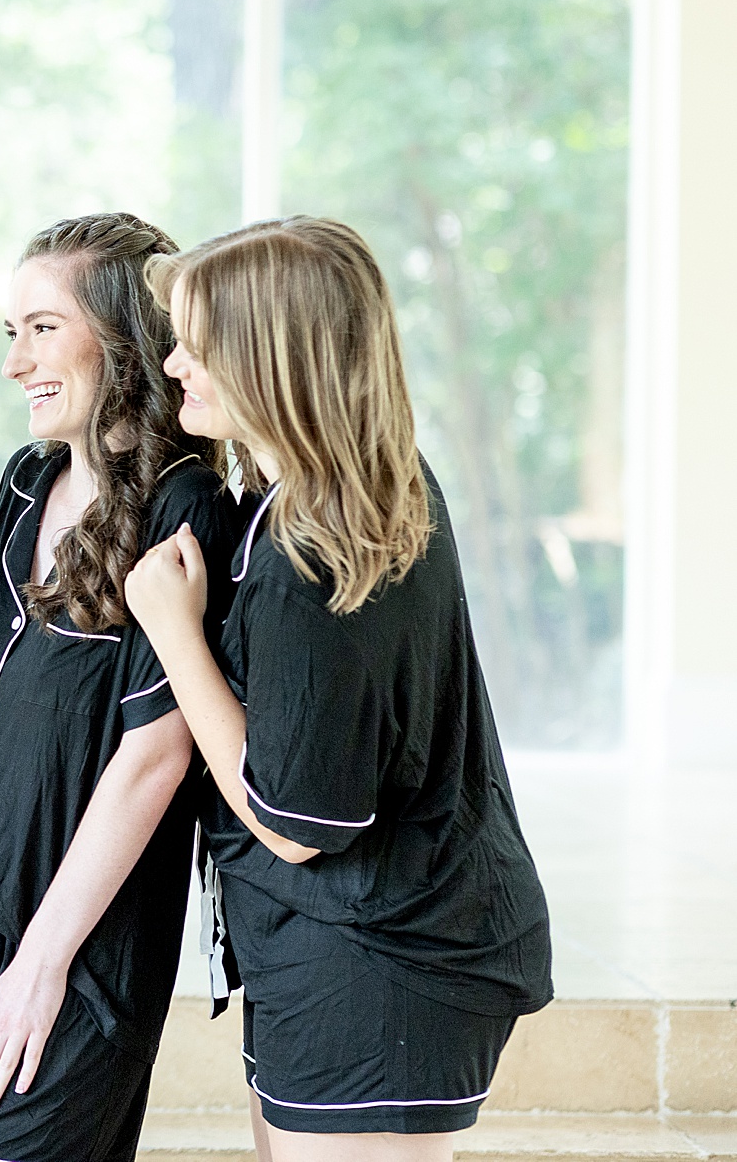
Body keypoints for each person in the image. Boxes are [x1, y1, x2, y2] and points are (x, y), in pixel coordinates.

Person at [125, 217, 554, 1162]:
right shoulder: (372, 487)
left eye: (199, 341)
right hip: (362, 953)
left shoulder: (309, 552)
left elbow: (296, 821)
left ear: (268, 357)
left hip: (382, 967)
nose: (175, 362)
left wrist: (172, 631)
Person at [0, 213, 247, 1162]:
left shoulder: (188, 506)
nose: (17, 363)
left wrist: (39, 966)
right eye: (15, 332)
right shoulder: (26, 479)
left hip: (67, 969)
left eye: (42, 328)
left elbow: (157, 755)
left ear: (125, 335)